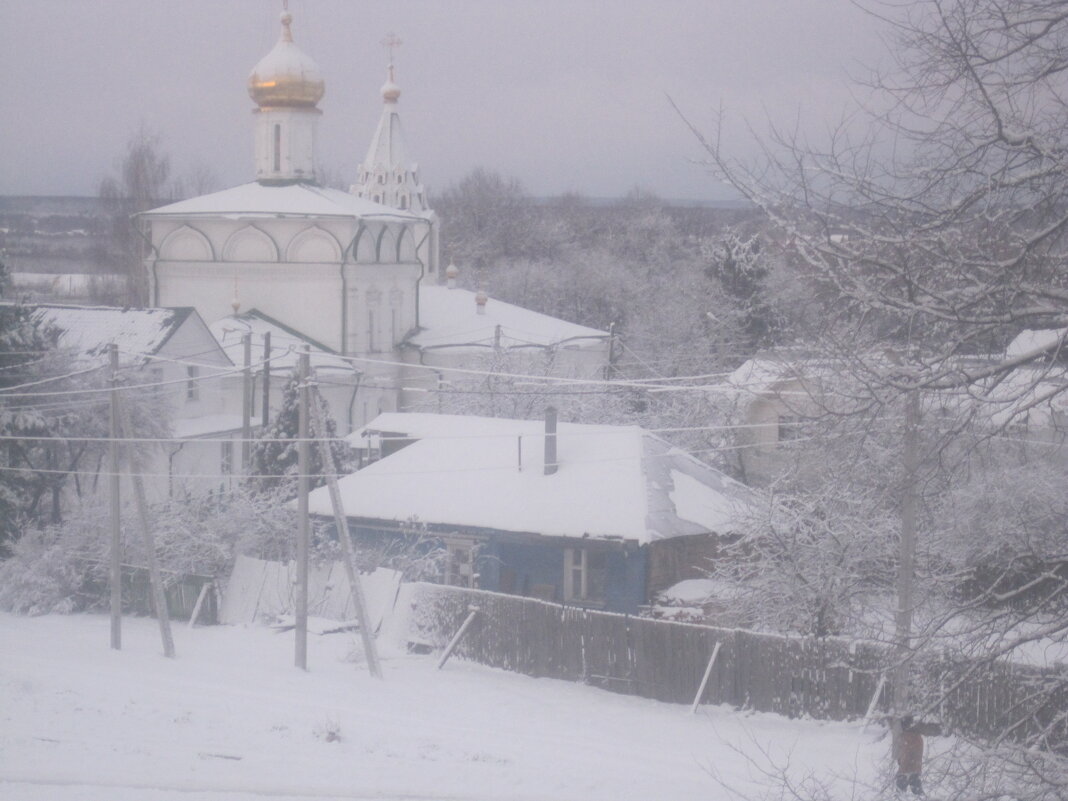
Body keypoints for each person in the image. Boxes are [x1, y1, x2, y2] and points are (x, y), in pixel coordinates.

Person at [895, 714, 925, 796]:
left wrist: (901, 770)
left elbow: (904, 756)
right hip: (916, 769)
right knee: (918, 794)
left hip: (905, 771)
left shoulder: (905, 737)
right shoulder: (918, 737)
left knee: (899, 795)